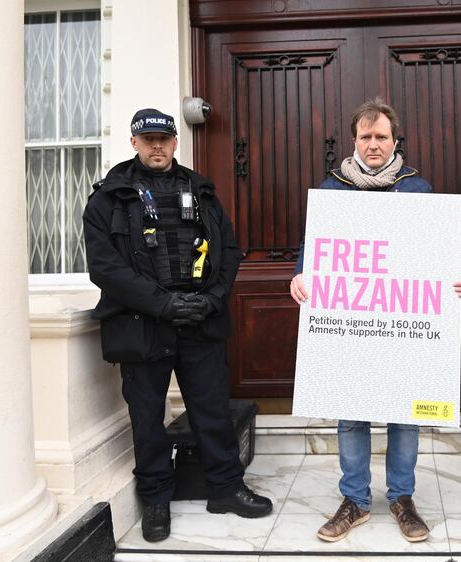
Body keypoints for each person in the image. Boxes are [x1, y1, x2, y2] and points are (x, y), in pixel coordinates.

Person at [83, 108, 273, 543]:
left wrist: (211, 299)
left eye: (164, 139)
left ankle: (225, 488)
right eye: (147, 139)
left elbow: (228, 249)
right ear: (133, 142)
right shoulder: (107, 199)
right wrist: (164, 304)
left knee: (211, 411)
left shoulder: (202, 191)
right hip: (143, 324)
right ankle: (155, 501)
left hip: (199, 321)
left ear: (174, 142)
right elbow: (105, 269)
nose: (156, 146)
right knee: (147, 419)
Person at [290, 98, 461, 543]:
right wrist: (301, 273)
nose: (374, 145)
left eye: (381, 137)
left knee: (405, 411)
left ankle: (402, 498)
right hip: (351, 322)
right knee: (351, 412)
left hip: (401, 323)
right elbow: (314, 246)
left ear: (394, 141)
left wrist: (454, 280)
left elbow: (434, 256)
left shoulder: (417, 189)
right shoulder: (331, 189)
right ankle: (355, 500)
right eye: (366, 137)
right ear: (355, 141)